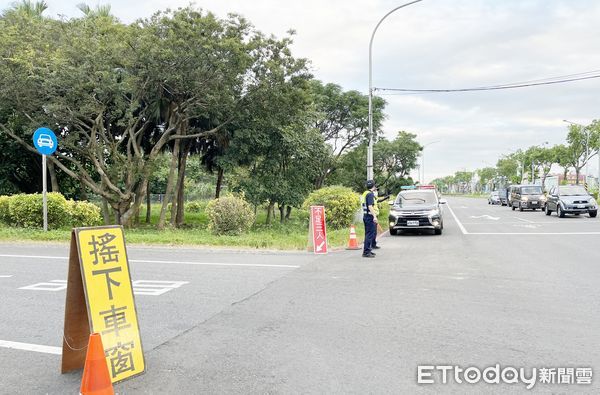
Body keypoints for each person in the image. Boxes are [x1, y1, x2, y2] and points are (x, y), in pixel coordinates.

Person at [361, 180, 378, 258]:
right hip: (370, 216)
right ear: (373, 186)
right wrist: (374, 216)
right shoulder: (370, 194)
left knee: (368, 234)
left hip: (365, 216)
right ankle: (366, 252)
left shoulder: (365, 193)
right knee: (369, 235)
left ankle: (368, 250)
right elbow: (370, 206)